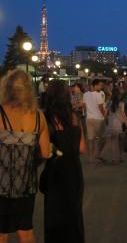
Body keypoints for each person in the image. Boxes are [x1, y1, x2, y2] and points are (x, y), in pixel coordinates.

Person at [0, 69, 50, 243]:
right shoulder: (38, 117)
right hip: (26, 184)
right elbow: (45, 152)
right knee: (26, 231)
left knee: (1, 233)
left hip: (1, 184)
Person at [43, 79, 85, 243]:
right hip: (74, 171)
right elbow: (82, 148)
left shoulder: (46, 118)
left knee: (54, 216)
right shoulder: (74, 117)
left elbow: (44, 150)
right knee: (74, 215)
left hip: (54, 172)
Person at [83, 79, 106, 162]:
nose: (101, 86)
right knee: (103, 138)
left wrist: (88, 113)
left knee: (90, 139)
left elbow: (85, 107)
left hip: (89, 118)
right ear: (95, 85)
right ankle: (97, 154)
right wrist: (105, 116)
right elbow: (101, 108)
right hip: (98, 119)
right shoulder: (98, 95)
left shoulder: (85, 94)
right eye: (99, 85)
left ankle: (91, 158)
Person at [106, 87, 127, 163]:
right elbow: (123, 114)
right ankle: (120, 157)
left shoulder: (109, 102)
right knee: (120, 141)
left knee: (113, 142)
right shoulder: (121, 103)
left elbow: (106, 113)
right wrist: (126, 123)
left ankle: (113, 158)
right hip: (119, 123)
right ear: (119, 95)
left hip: (111, 123)